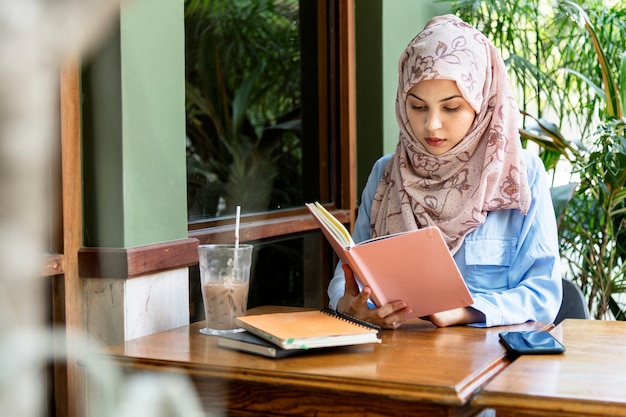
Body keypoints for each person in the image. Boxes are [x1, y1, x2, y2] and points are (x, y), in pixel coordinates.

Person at [327, 15, 562, 328]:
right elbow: (350, 276)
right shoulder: (386, 174)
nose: (431, 125)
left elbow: (543, 295)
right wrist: (349, 304)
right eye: (418, 106)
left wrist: (464, 311)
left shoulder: (520, 175)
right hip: (397, 360)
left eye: (451, 108)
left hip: (494, 365)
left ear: (483, 105)